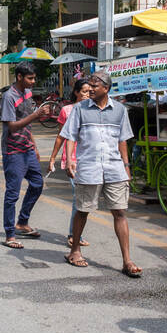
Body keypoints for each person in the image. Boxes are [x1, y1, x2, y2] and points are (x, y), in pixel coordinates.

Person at [60, 71, 140, 276]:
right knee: (83, 209)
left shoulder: (120, 110)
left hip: (115, 168)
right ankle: (74, 251)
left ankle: (127, 261)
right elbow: (70, 136)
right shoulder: (80, 109)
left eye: (95, 86)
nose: (91, 89)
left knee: (120, 212)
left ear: (106, 88)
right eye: (89, 85)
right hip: (88, 167)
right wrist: (70, 160)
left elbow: (123, 140)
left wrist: (127, 167)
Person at [0, 62, 55, 248]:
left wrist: (34, 146)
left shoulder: (28, 94)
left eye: (34, 78)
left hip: (27, 148)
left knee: (38, 184)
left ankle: (22, 222)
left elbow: (27, 125)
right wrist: (36, 114)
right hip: (13, 151)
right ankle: (10, 234)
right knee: (12, 194)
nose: (33, 81)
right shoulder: (9, 97)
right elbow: (12, 125)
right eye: (30, 78)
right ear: (19, 77)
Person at [48, 79, 93, 250]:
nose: (87, 94)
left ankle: (76, 233)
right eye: (83, 91)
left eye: (89, 91)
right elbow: (61, 136)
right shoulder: (67, 110)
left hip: (89, 160)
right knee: (78, 198)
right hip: (72, 160)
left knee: (84, 200)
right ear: (76, 92)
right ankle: (74, 235)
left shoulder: (93, 110)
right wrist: (53, 158)